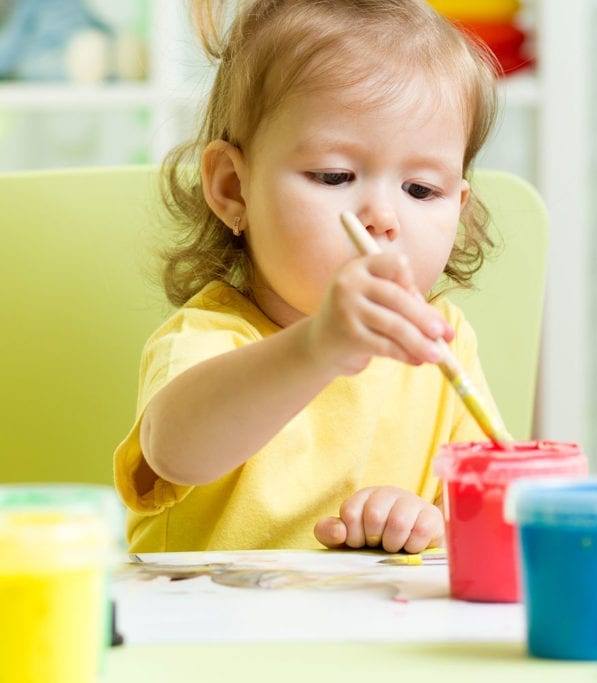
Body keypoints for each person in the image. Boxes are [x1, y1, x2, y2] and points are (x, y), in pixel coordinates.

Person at [113, 0, 505, 554]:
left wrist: (422, 521)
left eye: (420, 190)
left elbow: (481, 505)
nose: (382, 217)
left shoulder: (444, 342)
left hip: (363, 609)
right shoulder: (208, 336)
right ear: (233, 188)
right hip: (204, 608)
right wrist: (320, 347)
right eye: (334, 176)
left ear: (458, 207)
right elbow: (174, 453)